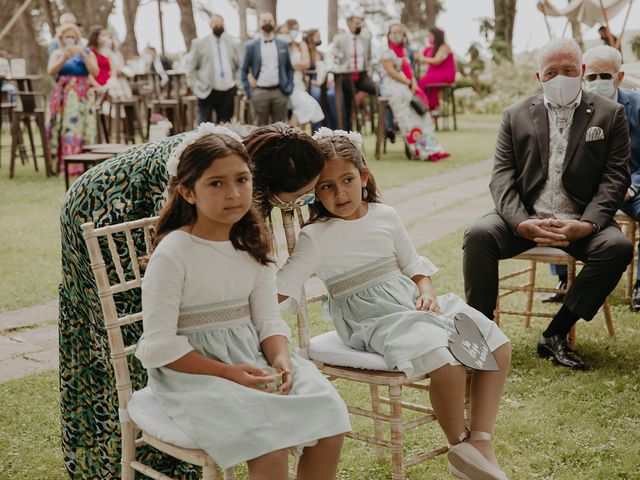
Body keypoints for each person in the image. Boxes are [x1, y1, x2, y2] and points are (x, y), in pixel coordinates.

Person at [58, 123, 328, 478]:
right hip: (106, 204)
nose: (302, 205)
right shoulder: (188, 232)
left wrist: (269, 342)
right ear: (271, 188)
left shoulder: (241, 202)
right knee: (125, 331)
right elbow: (164, 334)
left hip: (229, 349)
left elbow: (255, 298)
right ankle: (131, 456)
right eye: (301, 197)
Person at [276, 128, 511, 480]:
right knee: (447, 361)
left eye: (348, 180)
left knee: (497, 344)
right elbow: (283, 287)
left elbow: (413, 264)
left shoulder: (386, 216)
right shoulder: (316, 237)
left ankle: (481, 440)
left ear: (364, 176)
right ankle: (458, 444)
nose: (339, 193)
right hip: (371, 317)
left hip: (410, 301)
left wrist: (426, 290)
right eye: (326, 186)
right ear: (314, 192)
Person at [135, 125, 349, 477]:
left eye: (242, 180)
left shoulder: (253, 245)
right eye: (216, 183)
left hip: (254, 358)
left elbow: (268, 321)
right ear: (188, 192)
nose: (233, 193)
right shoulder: (174, 252)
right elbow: (158, 345)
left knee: (330, 418)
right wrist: (228, 373)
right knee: (268, 440)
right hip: (194, 375)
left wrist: (281, 358)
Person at [462, 38, 632, 371]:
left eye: (568, 70)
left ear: (581, 71)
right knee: (478, 235)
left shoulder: (610, 114)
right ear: (538, 76)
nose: (559, 77)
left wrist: (587, 224)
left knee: (618, 247)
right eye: (550, 71)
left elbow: (615, 177)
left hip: (580, 220)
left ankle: (554, 334)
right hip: (525, 218)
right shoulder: (515, 115)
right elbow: (502, 177)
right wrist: (521, 222)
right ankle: (479, 334)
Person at [544, 45, 640, 310]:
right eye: (593, 78)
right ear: (584, 78)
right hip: (590, 190)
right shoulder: (575, 107)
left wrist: (631, 185)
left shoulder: (638, 106)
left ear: (619, 77)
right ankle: (564, 278)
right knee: (557, 205)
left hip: (633, 186)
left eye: (605, 77)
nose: (598, 83)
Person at [379, 24, 449, 161]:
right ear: (388, 34)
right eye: (394, 32)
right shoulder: (385, 51)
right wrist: (407, 82)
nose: (397, 35)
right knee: (405, 110)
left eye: (399, 32)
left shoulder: (405, 51)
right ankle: (418, 148)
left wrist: (414, 85)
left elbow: (410, 71)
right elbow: (391, 71)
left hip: (407, 84)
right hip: (393, 85)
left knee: (420, 112)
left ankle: (431, 147)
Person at [46, 22, 98, 175]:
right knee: (69, 129)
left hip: (83, 96)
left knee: (86, 129)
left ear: (78, 38)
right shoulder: (57, 53)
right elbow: (51, 70)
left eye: (73, 36)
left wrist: (83, 55)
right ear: (61, 38)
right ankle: (70, 166)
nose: (70, 39)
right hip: (65, 95)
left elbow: (95, 72)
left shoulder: (87, 52)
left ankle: (88, 166)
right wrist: (64, 58)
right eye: (67, 36)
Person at [240, 12, 294, 126]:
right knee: (259, 128)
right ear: (259, 23)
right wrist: (250, 92)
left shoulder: (282, 44)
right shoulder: (251, 45)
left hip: (280, 92)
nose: (267, 23)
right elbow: (243, 70)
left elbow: (289, 68)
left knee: (281, 128)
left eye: (270, 21)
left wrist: (289, 88)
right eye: (264, 21)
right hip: (259, 93)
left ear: (274, 22)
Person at [186, 14, 241, 125]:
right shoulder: (199, 43)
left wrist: (237, 83)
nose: (218, 25)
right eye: (215, 23)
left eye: (220, 23)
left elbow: (239, 65)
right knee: (205, 126)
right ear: (210, 24)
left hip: (228, 89)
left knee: (226, 126)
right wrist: (195, 86)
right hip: (207, 90)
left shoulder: (232, 43)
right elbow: (190, 68)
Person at [330, 16, 376, 129]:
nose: (359, 25)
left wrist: (369, 71)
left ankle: (386, 127)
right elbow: (331, 56)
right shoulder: (339, 39)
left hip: (362, 76)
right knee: (346, 104)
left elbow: (369, 57)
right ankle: (347, 132)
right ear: (349, 24)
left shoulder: (366, 39)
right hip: (346, 76)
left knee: (379, 90)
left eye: (360, 23)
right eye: (357, 23)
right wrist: (338, 67)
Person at [275, 22, 324, 127]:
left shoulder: (297, 45)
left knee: (311, 104)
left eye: (286, 32)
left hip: (298, 84)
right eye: (281, 32)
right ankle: (292, 132)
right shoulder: (276, 47)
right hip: (284, 86)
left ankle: (295, 133)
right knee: (305, 105)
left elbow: (305, 64)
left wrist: (288, 65)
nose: (285, 34)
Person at [417, 27, 457, 112]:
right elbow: (419, 56)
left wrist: (423, 59)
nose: (429, 38)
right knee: (426, 85)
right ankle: (432, 108)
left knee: (423, 83)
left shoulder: (444, 47)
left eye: (430, 36)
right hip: (434, 74)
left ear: (437, 36)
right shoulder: (430, 48)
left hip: (445, 74)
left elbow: (437, 61)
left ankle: (432, 107)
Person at [305, 28, 337, 130]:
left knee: (332, 95)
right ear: (310, 39)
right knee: (317, 95)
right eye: (317, 37)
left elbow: (328, 68)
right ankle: (318, 128)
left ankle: (333, 127)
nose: (320, 39)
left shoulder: (321, 54)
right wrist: (315, 83)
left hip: (324, 81)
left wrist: (329, 81)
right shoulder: (305, 54)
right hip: (311, 82)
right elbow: (303, 75)